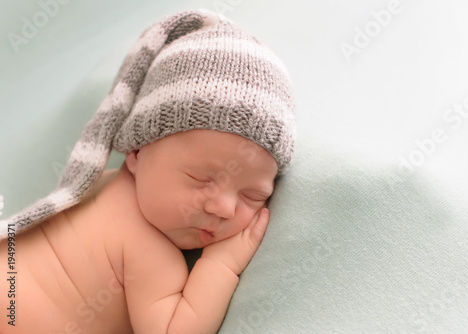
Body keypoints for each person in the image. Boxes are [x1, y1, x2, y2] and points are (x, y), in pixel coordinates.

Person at [0, 8, 295, 334]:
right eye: (201, 178)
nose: (224, 208)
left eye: (253, 196)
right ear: (137, 152)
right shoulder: (151, 252)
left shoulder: (100, 184)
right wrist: (221, 265)